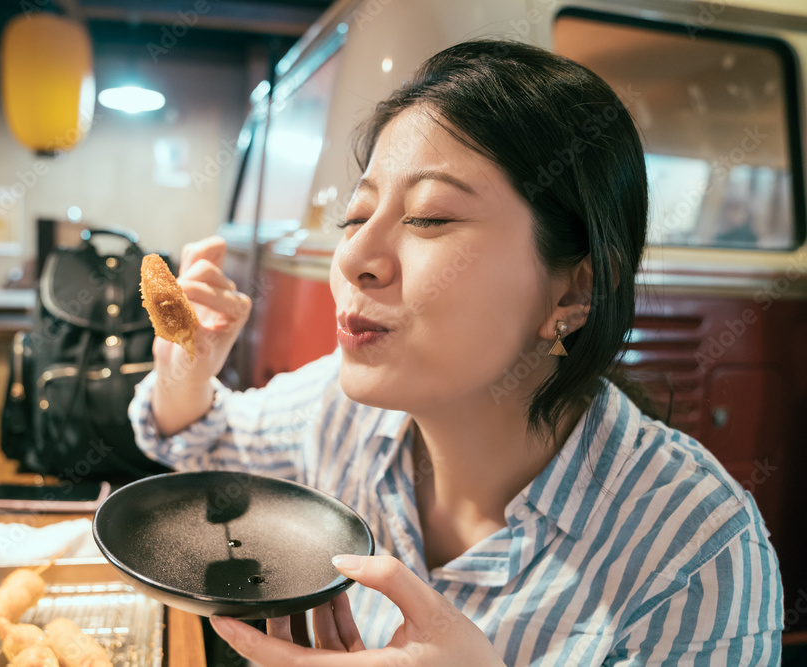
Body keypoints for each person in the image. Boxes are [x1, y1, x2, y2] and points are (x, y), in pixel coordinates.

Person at [129, 40, 782, 665]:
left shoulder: (700, 546)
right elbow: (200, 440)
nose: (355, 257)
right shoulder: (338, 410)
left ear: (575, 287)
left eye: (430, 217)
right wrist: (189, 366)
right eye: (356, 218)